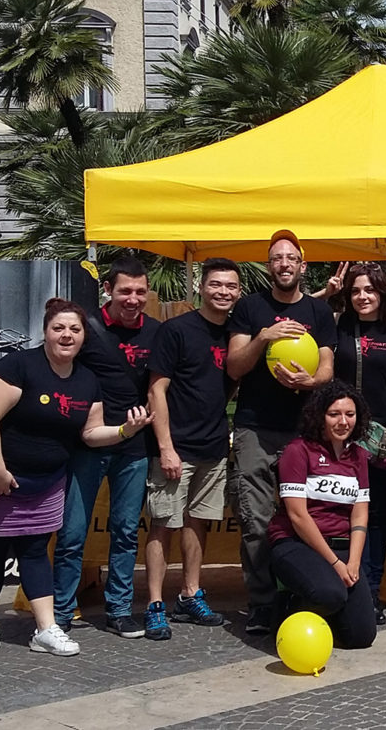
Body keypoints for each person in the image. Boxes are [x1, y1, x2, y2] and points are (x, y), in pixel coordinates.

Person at [0, 299, 151, 658]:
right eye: (59, 328)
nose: (66, 335)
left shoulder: (86, 380)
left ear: (84, 337)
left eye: (75, 329)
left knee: (36, 554)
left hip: (47, 483)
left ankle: (46, 629)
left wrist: (125, 431)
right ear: (46, 331)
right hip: (1, 481)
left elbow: (90, 434)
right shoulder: (19, 365)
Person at [227, 229, 338, 634]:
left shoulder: (319, 313)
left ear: (302, 265)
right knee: (256, 521)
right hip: (256, 427)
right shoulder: (250, 309)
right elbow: (235, 367)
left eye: (291, 258)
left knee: (307, 518)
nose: (284, 264)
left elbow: (326, 370)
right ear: (269, 265)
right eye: (277, 258)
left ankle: (303, 592)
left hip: (304, 431)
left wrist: (308, 383)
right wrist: (264, 337)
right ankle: (261, 602)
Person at [53, 257, 161, 637]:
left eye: (140, 292)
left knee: (126, 531)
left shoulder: (158, 332)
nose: (133, 299)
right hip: (89, 444)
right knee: (72, 533)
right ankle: (61, 612)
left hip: (133, 447)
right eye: (124, 291)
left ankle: (118, 608)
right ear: (109, 291)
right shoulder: (88, 331)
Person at [143, 258, 241, 640]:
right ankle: (154, 604)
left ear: (237, 292)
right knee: (163, 523)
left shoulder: (235, 334)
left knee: (198, 522)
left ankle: (190, 593)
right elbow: (156, 390)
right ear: (202, 286)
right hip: (176, 448)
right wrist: (166, 447)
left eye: (230, 286)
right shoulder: (176, 330)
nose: (223, 292)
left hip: (214, 446)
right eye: (216, 284)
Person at [267, 381, 378, 650]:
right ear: (320, 416)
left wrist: (353, 562)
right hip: (296, 543)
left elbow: (360, 513)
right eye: (334, 414)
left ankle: (329, 613)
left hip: (341, 545)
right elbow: (297, 516)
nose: (343, 421)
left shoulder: (359, 455)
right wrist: (336, 564)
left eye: (349, 414)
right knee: (329, 593)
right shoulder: (298, 450)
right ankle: (289, 606)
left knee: (361, 637)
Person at [333, 262, 386, 625]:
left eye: (370, 290)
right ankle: (342, 585)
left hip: (380, 438)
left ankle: (372, 590)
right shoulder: (339, 325)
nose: (363, 296)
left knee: (375, 515)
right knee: (340, 512)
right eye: (356, 290)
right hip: (339, 436)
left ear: (381, 294)